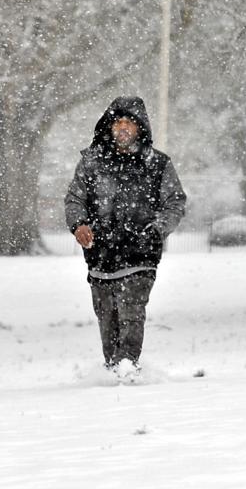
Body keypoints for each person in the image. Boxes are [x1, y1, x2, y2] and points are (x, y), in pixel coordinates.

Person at [65, 96, 186, 378]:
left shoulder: (157, 164)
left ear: (139, 127)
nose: (122, 127)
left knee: (131, 311)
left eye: (129, 122)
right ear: (108, 126)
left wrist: (156, 229)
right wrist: (79, 225)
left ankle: (127, 366)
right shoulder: (91, 163)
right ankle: (112, 369)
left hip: (140, 255)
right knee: (107, 317)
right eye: (118, 121)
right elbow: (74, 199)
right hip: (101, 255)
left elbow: (175, 202)